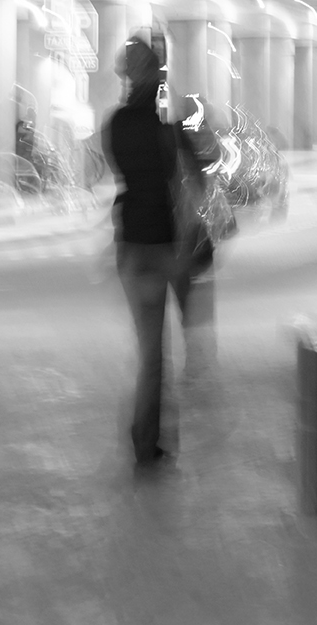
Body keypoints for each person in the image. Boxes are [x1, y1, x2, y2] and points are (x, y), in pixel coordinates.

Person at [101, 34, 214, 471]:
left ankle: (145, 440)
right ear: (157, 74)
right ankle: (150, 440)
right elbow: (199, 171)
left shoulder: (116, 123)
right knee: (160, 352)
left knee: (148, 351)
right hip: (165, 244)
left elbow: (123, 173)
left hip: (131, 245)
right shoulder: (168, 124)